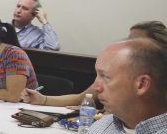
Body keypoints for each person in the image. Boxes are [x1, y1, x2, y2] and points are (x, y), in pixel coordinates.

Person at [24, 20, 167, 107]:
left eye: (134, 43)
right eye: (127, 40)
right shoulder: (113, 72)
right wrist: (43, 99)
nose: (127, 46)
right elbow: (82, 98)